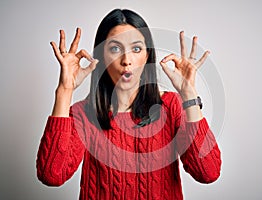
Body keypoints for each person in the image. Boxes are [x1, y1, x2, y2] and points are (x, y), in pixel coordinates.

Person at [36, 8, 221, 200]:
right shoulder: (83, 113)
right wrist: (65, 90)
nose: (127, 61)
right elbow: (51, 175)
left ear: (147, 55)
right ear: (102, 56)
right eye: (115, 48)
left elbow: (208, 173)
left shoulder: (170, 105)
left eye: (136, 49)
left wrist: (188, 94)